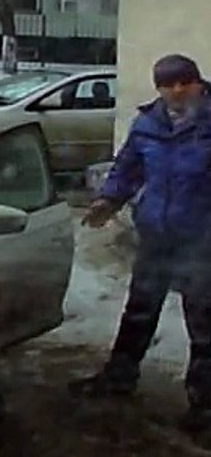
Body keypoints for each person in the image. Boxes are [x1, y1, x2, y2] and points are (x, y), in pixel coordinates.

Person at [70, 54, 211, 438]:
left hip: (201, 241)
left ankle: (204, 405)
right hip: (156, 236)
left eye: (185, 82)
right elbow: (127, 167)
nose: (177, 90)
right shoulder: (148, 124)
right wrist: (109, 200)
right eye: (168, 84)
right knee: (139, 311)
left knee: (204, 325)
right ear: (159, 88)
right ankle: (118, 378)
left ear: (198, 83)